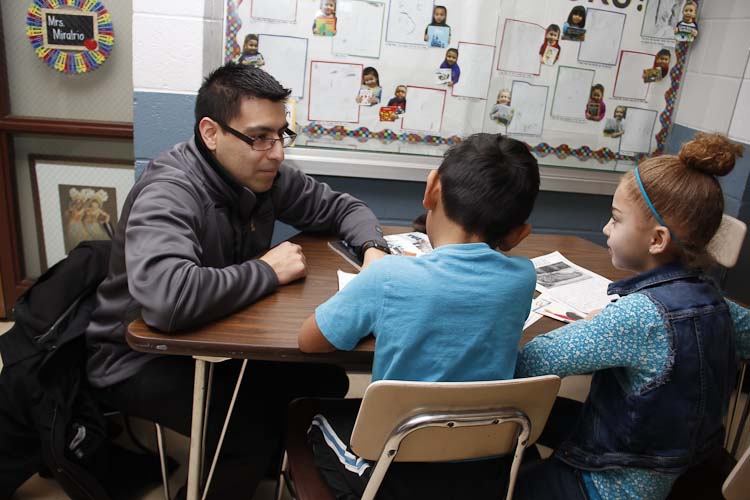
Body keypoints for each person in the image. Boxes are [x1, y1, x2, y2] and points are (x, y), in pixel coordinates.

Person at [85, 63, 389, 499]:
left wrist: (373, 250)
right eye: (260, 138)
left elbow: (345, 209)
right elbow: (168, 302)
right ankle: (236, 465)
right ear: (211, 133)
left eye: (282, 135)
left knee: (323, 384)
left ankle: (257, 463)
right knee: (243, 431)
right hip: (140, 357)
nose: (277, 152)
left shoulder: (264, 175)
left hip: (219, 336)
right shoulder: (170, 191)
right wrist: (267, 271)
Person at [298, 133, 541, 499]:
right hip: (487, 469)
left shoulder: (387, 277)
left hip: (394, 477)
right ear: (520, 234)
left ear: (431, 189)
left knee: (309, 416)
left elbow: (310, 341)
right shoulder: (523, 279)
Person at [514, 133, 750, 500]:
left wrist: (600, 328)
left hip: (612, 485)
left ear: (657, 240)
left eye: (615, 220)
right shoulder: (716, 304)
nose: (606, 229)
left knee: (507, 472)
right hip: (686, 466)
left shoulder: (638, 318)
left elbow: (532, 362)